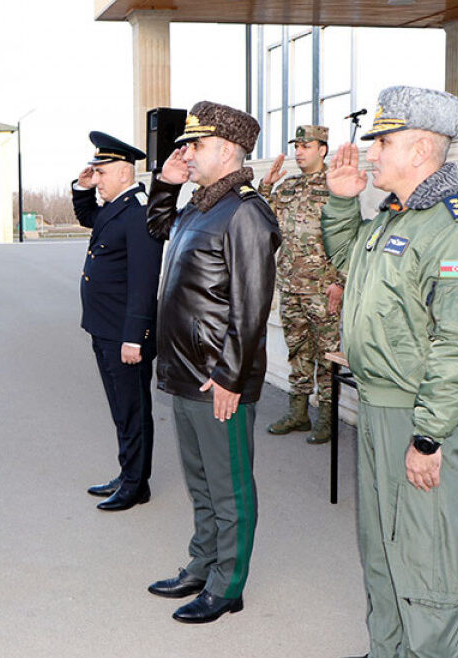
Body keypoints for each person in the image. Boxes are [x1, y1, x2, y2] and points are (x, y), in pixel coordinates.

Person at [322, 86, 458, 658]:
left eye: (383, 140)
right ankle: (389, 656)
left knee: (424, 554)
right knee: (381, 544)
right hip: (378, 403)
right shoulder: (397, 216)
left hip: (419, 411)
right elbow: (348, 266)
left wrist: (428, 437)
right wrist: (339, 205)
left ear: (423, 147)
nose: (370, 152)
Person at [144, 102, 280, 624]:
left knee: (230, 487)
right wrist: (166, 182)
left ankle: (228, 585)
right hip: (183, 372)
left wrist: (231, 377)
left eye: (196, 145)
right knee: (199, 480)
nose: (187, 152)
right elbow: (158, 230)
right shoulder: (201, 206)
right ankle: (202, 564)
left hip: (216, 377)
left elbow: (250, 308)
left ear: (226, 149)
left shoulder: (245, 211)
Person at [72, 131, 163, 511]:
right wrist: (82, 186)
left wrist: (134, 338)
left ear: (125, 173)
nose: (98, 179)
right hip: (103, 326)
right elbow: (89, 217)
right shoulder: (116, 207)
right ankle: (128, 472)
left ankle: (135, 485)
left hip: (124, 334)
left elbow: (144, 282)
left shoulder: (139, 212)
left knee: (133, 409)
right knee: (120, 407)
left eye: (102, 172)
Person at [258, 125, 344, 444]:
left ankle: (327, 417)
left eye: (306, 145)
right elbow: (264, 219)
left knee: (327, 354)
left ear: (322, 149)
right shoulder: (288, 185)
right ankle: (298, 413)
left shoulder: (336, 186)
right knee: (297, 351)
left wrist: (340, 282)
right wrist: (265, 187)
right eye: (296, 145)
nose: (299, 151)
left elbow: (348, 238)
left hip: (323, 289)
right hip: (291, 284)